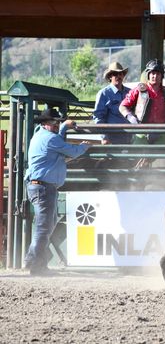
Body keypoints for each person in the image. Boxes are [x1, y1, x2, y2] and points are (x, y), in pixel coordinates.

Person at [24, 109, 91, 275]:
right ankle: (36, 265)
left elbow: (57, 141)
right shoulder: (50, 138)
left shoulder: (41, 135)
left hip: (41, 186)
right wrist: (85, 145)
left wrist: (63, 128)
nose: (57, 125)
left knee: (46, 225)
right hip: (44, 187)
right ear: (46, 123)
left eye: (57, 123)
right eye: (55, 123)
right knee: (44, 227)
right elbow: (72, 151)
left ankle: (32, 260)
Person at [119, 59, 165, 144]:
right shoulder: (139, 90)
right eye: (152, 73)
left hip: (161, 134)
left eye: (158, 73)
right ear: (148, 75)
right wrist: (130, 117)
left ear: (161, 76)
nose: (155, 76)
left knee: (162, 157)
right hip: (141, 133)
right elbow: (122, 106)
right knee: (139, 156)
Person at [93, 62, 132, 145]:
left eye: (120, 73)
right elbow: (98, 117)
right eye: (115, 74)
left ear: (123, 75)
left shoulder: (130, 92)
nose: (118, 76)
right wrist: (104, 137)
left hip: (130, 136)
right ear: (110, 76)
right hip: (112, 138)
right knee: (114, 158)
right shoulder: (104, 93)